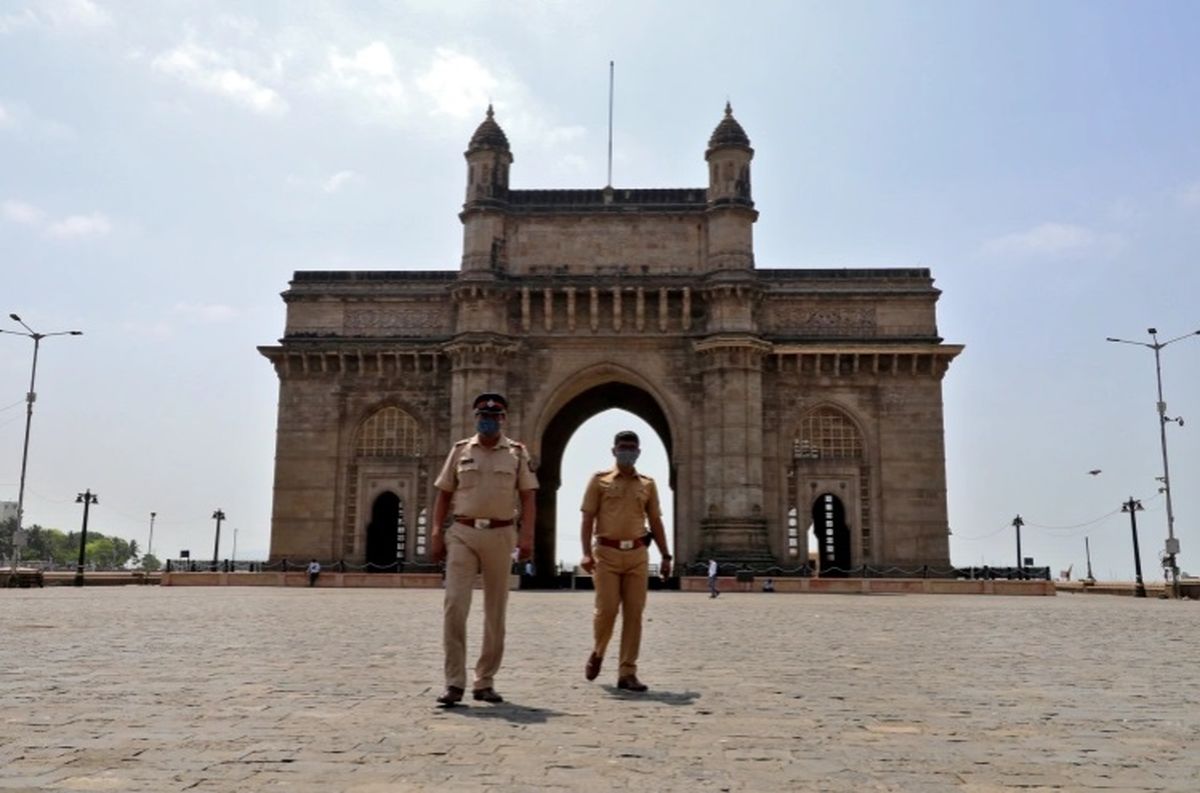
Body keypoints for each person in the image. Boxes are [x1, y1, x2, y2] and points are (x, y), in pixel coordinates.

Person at [431, 392, 537, 706]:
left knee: (495, 612)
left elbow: (529, 497)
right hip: (463, 531)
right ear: (475, 417)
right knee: (454, 605)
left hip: (501, 534)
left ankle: (485, 680)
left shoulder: (517, 453)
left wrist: (527, 536)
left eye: (494, 416)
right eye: (483, 416)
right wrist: (437, 532)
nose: (488, 420)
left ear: (503, 419)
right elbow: (444, 493)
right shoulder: (460, 450)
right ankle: (454, 682)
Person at [580, 430, 672, 693]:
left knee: (635, 614)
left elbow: (655, 521)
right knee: (606, 610)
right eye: (623, 447)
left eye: (632, 447)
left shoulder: (648, 484)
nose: (627, 451)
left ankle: (627, 672)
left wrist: (666, 555)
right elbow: (587, 518)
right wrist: (586, 552)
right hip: (606, 555)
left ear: (639, 452)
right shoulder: (599, 481)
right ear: (614, 450)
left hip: (637, 555)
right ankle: (598, 651)